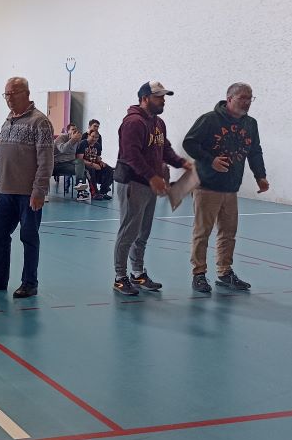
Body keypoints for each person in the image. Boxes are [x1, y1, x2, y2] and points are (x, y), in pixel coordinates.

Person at [183, 82, 268, 293]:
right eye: (242, 98)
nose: (247, 102)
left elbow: (255, 151)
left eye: (250, 98)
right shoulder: (209, 120)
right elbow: (189, 143)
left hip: (231, 188)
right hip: (207, 186)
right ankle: (198, 274)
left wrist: (260, 176)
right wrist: (210, 160)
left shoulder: (250, 124)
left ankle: (224, 272)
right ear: (229, 99)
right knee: (202, 232)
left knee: (228, 233)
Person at [112, 81, 194, 296]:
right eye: (159, 97)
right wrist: (152, 176)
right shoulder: (133, 122)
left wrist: (181, 163)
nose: (163, 100)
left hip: (150, 184)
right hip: (133, 183)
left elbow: (164, 149)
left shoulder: (158, 123)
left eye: (164, 96)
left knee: (143, 231)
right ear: (144, 98)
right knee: (128, 231)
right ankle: (120, 277)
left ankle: (137, 273)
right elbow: (131, 156)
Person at [0, 77, 53, 299]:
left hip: (28, 194)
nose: (8, 98)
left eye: (13, 93)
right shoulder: (7, 121)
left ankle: (29, 282)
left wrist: (39, 190)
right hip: (5, 193)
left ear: (26, 93)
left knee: (29, 238)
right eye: (6, 94)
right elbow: (4, 158)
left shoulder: (40, 122)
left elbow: (46, 161)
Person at [76, 129, 113, 200]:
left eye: (96, 137)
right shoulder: (83, 143)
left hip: (94, 163)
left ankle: (103, 192)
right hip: (84, 165)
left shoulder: (97, 145)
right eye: (92, 136)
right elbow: (79, 159)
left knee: (109, 169)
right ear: (88, 136)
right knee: (91, 170)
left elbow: (98, 158)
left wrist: (101, 162)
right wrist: (92, 164)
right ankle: (94, 193)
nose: (94, 139)